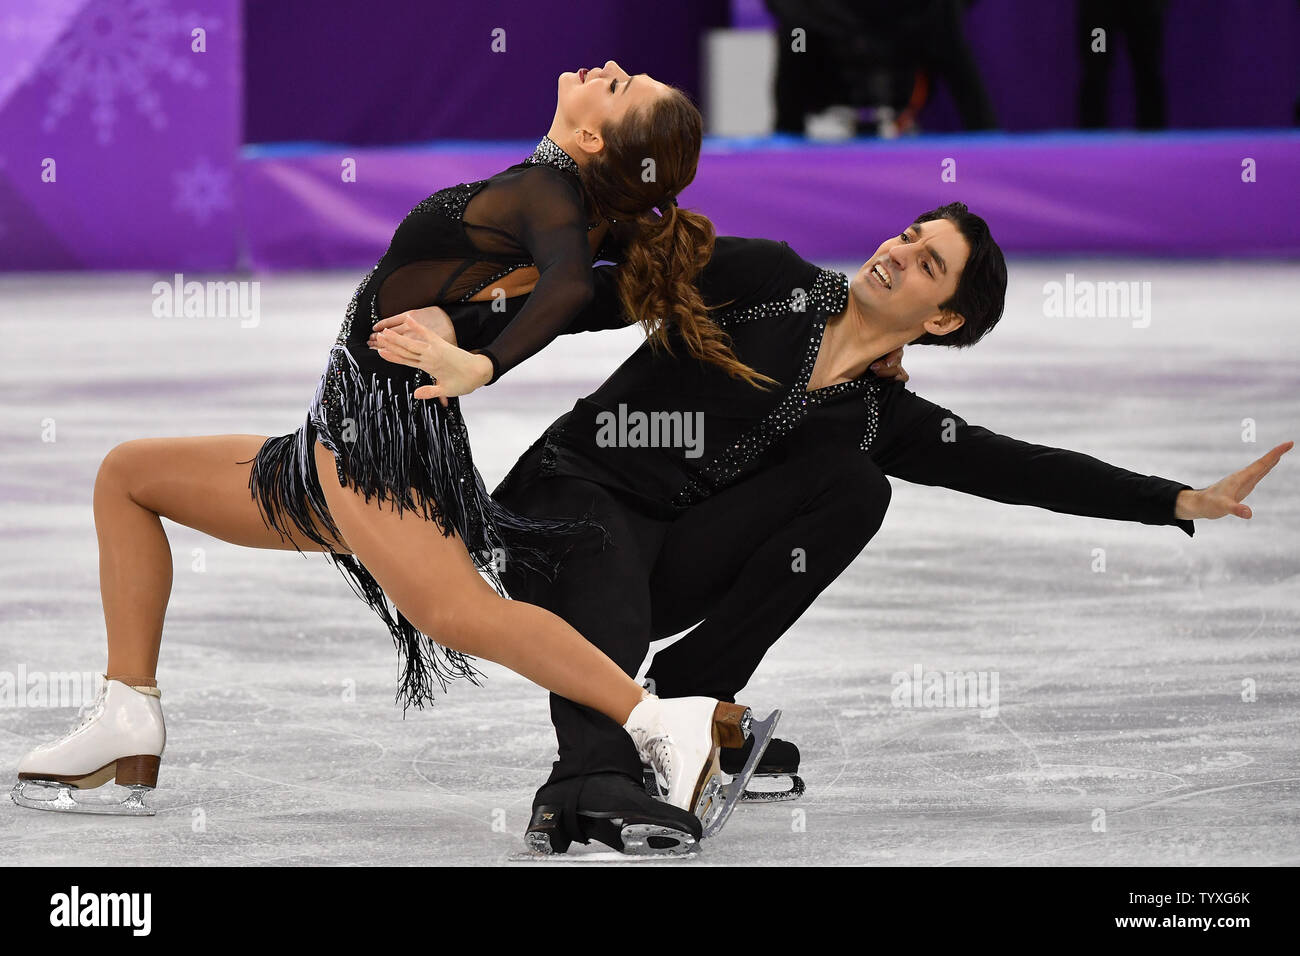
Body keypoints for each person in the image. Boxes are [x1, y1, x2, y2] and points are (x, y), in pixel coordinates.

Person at [11, 62, 777, 856]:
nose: (613, 68)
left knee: (457, 612)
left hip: (377, 448)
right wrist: (458, 324)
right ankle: (125, 714)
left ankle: (665, 722)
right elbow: (573, 294)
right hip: (330, 449)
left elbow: (567, 290)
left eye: (621, 89)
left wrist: (482, 365)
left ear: (589, 138)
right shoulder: (575, 206)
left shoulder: (548, 194)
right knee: (129, 476)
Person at [386, 202, 1291, 853]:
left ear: (941, 319)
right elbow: (606, 294)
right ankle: (587, 781)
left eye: (928, 263)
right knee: (608, 573)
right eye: (909, 234)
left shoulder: (872, 413)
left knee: (856, 489)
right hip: (566, 498)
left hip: (662, 548)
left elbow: (1014, 466)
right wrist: (473, 337)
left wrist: (1175, 500)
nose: (899, 251)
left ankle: (697, 691)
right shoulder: (769, 279)